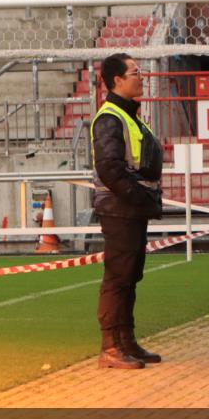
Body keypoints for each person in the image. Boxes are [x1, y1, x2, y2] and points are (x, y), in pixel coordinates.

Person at [91, 53, 164, 369]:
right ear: (117, 80)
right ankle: (111, 347)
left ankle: (126, 341)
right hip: (120, 210)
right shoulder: (110, 118)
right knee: (118, 278)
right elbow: (109, 168)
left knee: (130, 276)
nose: (142, 76)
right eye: (136, 72)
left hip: (130, 209)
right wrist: (138, 197)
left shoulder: (128, 116)